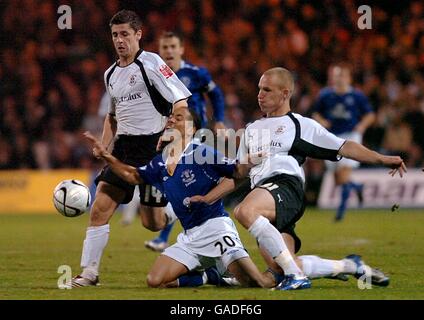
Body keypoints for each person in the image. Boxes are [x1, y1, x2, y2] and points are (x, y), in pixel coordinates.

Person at [190, 67, 405, 290]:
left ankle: (297, 277)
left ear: (285, 94)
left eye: (267, 90)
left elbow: (344, 146)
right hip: (264, 197)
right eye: (259, 89)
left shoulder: (301, 125)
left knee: (245, 211)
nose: (260, 95)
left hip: (285, 187)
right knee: (279, 270)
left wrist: (381, 158)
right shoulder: (251, 130)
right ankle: (350, 266)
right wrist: (208, 198)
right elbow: (238, 174)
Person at [84, 106, 279, 289]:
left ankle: (294, 269)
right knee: (155, 281)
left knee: (257, 282)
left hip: (217, 230)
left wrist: (251, 160)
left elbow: (237, 170)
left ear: (191, 128)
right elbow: (133, 176)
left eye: (178, 118)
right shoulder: (160, 161)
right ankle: (208, 275)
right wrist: (106, 157)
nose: (171, 121)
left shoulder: (202, 152)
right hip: (190, 237)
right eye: (170, 117)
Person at [71, 10, 191, 287]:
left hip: (153, 147)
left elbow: (180, 99)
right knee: (100, 207)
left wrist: (176, 132)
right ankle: (89, 273)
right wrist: (104, 144)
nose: (119, 40)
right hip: (124, 148)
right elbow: (112, 116)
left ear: (138, 34)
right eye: (115, 35)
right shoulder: (110, 74)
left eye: (125, 34)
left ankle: (174, 210)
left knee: (153, 223)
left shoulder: (151, 63)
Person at [144, 31, 226, 252]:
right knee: (178, 183)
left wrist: (218, 120)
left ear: (181, 49)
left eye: (172, 47)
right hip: (170, 133)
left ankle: (215, 225)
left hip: (194, 133)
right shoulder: (154, 76)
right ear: (159, 51)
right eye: (164, 48)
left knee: (196, 181)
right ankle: (176, 233)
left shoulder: (196, 73)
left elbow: (216, 94)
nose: (169, 51)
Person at [312, 63, 375, 221]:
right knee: (338, 179)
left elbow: (370, 114)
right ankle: (357, 187)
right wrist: (322, 121)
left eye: (342, 75)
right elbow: (315, 113)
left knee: (344, 173)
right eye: (336, 75)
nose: (339, 79)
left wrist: (362, 126)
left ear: (349, 78)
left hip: (350, 137)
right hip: (331, 137)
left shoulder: (357, 96)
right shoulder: (325, 95)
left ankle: (341, 211)